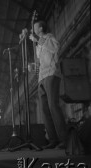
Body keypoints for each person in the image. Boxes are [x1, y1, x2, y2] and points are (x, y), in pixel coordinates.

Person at [29, 20, 67, 149]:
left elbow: (55, 48)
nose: (32, 29)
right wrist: (33, 67)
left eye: (35, 27)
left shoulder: (49, 37)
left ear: (40, 28)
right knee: (45, 110)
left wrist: (38, 41)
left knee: (53, 106)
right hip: (41, 77)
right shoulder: (38, 44)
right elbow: (41, 60)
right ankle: (53, 140)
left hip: (51, 74)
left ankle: (64, 140)